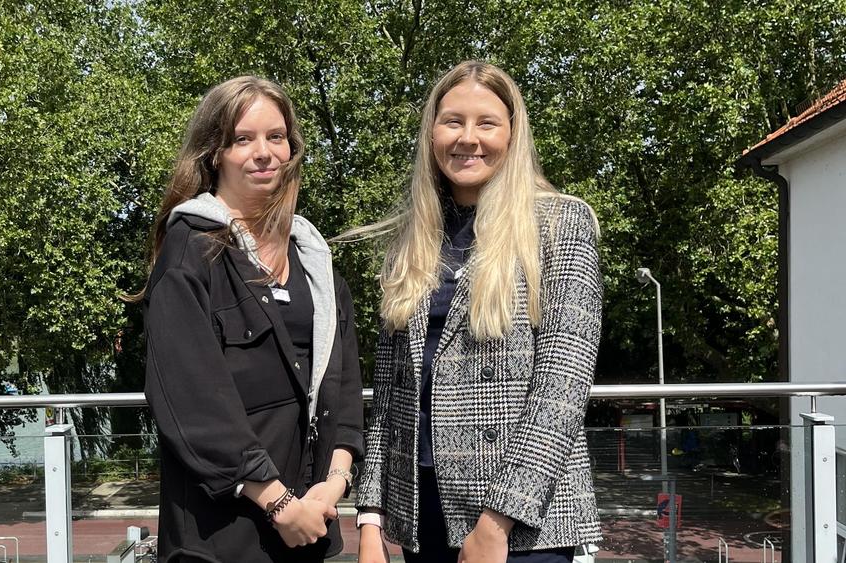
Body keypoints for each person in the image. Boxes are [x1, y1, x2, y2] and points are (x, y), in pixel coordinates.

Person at [353, 61, 603, 563]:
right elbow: (389, 392)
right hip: (422, 507)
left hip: (526, 521)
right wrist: (370, 518)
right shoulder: (413, 239)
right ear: (432, 134)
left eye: (486, 122)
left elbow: (562, 383)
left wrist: (497, 521)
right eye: (452, 122)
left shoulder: (558, 222)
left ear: (512, 133)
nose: (468, 138)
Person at [139, 76, 364, 562]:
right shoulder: (190, 251)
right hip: (222, 537)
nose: (263, 152)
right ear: (215, 153)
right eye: (243, 139)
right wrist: (276, 502)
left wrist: (333, 484)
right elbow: (189, 400)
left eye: (276, 137)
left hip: (308, 527)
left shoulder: (314, 261)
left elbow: (343, 387)